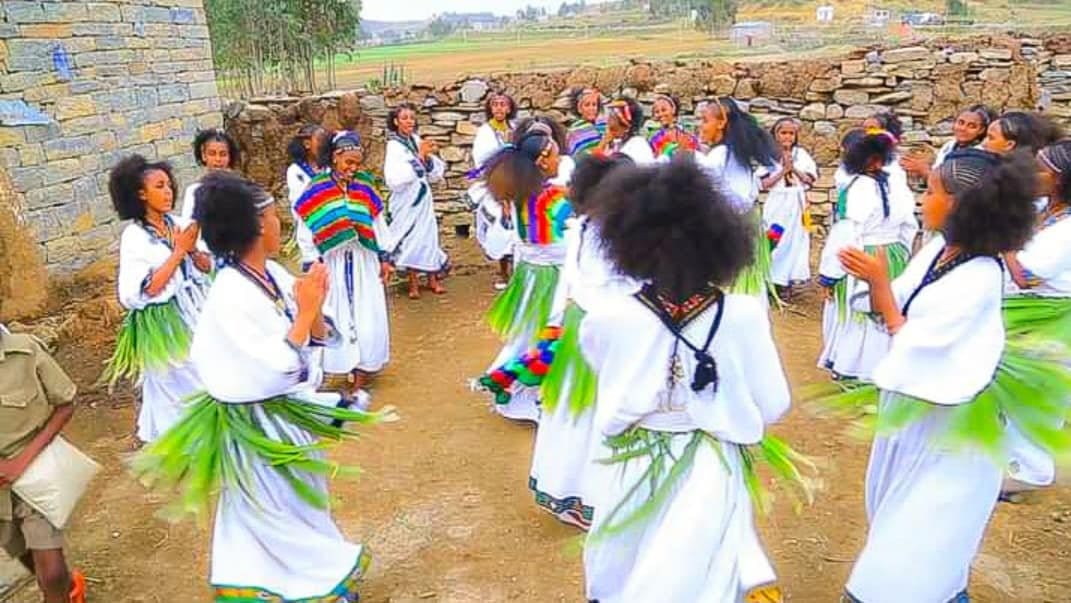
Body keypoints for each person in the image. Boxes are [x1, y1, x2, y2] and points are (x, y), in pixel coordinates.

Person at [133, 171, 396, 602]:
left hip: (285, 422)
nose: (282, 224)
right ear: (257, 226)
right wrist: (305, 313)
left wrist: (312, 309)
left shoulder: (270, 272)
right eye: (275, 217)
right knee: (273, 511)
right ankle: (300, 585)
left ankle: (300, 580)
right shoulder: (230, 295)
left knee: (301, 502)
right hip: (259, 429)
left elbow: (314, 336)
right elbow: (271, 369)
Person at [833, 149, 1052, 603]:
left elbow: (919, 346)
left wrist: (880, 289)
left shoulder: (979, 276)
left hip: (952, 439)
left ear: (960, 204)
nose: (921, 199)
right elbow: (898, 306)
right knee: (912, 545)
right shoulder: (938, 251)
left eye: (930, 191)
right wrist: (877, 289)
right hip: (914, 423)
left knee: (903, 565)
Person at [580, 159, 804, 603]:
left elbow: (603, 372)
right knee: (701, 569)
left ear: (629, 241)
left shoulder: (606, 318)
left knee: (624, 558)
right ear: (719, 241)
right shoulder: (742, 314)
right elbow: (774, 403)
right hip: (711, 466)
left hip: (630, 464)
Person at [481, 154, 638, 528]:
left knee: (573, 414)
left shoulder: (582, 228)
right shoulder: (609, 234)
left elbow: (569, 286)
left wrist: (555, 328)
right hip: (604, 336)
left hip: (577, 328)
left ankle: (570, 489)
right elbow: (627, 286)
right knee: (596, 415)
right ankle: (593, 496)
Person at [103, 155, 210, 446]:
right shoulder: (135, 237)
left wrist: (194, 253)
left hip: (194, 309)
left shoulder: (178, 224)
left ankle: (195, 440)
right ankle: (181, 442)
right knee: (176, 380)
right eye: (159, 186)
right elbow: (144, 290)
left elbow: (204, 267)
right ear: (140, 194)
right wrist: (178, 252)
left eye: (169, 185)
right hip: (163, 322)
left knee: (202, 371)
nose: (168, 192)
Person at [479, 129, 574, 422]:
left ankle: (517, 386)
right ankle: (537, 394)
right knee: (551, 335)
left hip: (531, 278)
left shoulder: (522, 196)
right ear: (544, 161)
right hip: (553, 280)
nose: (561, 159)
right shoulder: (553, 199)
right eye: (556, 154)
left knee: (529, 335)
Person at [294, 131, 393, 393]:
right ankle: (340, 366)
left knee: (366, 314)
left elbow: (377, 223)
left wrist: (384, 257)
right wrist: (312, 263)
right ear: (335, 157)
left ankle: (363, 368)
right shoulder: (317, 188)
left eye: (357, 163)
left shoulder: (364, 185)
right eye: (348, 162)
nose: (353, 168)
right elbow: (306, 228)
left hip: (364, 260)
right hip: (332, 263)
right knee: (334, 313)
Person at [817, 130, 917, 382]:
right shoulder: (896, 184)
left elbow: (849, 231)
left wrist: (830, 274)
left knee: (861, 312)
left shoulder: (859, 186)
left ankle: (857, 369)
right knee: (888, 307)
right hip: (892, 254)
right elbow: (909, 225)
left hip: (863, 256)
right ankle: (885, 365)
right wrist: (901, 253)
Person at [1001, 140, 1071, 498]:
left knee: (1036, 395)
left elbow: (1027, 276)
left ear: (1061, 179)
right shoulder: (1049, 211)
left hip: (1046, 319)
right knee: (1020, 392)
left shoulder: (1066, 228)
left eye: (1042, 169)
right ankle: (1013, 462)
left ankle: (1029, 471)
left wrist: (1003, 242)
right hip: (1032, 316)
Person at [0, 326, 87, 603]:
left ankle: (59, 589)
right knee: (23, 551)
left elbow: (66, 403)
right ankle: (67, 587)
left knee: (49, 572)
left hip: (34, 470)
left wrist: (21, 462)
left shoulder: (25, 351)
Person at [694, 97, 781, 306]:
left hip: (733, 236)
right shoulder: (726, 153)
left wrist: (701, 167)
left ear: (721, 123)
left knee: (734, 295)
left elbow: (741, 201)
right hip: (734, 233)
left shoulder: (724, 154)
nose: (700, 126)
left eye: (705, 120)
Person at [384, 102, 449, 299]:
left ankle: (432, 279)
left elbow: (433, 169)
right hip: (406, 199)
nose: (409, 121)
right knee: (411, 238)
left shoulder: (416, 140)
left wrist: (428, 158)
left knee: (428, 236)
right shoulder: (394, 146)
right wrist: (420, 157)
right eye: (404, 118)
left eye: (412, 118)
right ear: (396, 122)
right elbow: (394, 177)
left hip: (422, 198)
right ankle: (413, 283)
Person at [760, 117, 818, 298]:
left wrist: (793, 169)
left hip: (796, 203)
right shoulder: (768, 156)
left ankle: (786, 280)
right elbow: (764, 183)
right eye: (783, 133)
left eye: (791, 133)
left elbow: (810, 179)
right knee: (776, 238)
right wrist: (783, 171)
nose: (787, 137)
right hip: (778, 202)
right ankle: (770, 279)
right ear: (775, 135)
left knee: (795, 241)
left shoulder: (801, 154)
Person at [469, 92, 518, 290]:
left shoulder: (515, 129)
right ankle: (503, 271)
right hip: (495, 184)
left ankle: (517, 271)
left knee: (516, 225)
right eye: (495, 104)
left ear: (509, 108)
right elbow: (481, 159)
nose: (499, 108)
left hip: (516, 183)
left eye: (503, 104)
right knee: (500, 223)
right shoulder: (485, 132)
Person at [900, 105, 993, 178]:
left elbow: (951, 186)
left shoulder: (978, 155)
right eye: (960, 123)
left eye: (971, 126)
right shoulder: (949, 146)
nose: (963, 128)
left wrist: (923, 170)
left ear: (981, 130)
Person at [285, 124, 328, 270]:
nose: (324, 145)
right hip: (309, 232)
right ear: (307, 143)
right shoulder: (296, 171)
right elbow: (299, 203)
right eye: (320, 140)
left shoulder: (329, 169)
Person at [179, 128, 240, 221]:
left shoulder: (240, 190)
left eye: (223, 154)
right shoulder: (193, 191)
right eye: (212, 154)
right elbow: (187, 225)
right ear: (204, 156)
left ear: (229, 157)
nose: (218, 159)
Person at [594, 98, 655, 165]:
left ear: (625, 124)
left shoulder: (638, 146)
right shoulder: (611, 142)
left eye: (612, 115)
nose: (607, 120)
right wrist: (603, 143)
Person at [648, 93, 699, 160]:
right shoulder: (654, 139)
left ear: (673, 109)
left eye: (664, 110)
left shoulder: (687, 136)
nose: (660, 114)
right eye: (657, 112)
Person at [566, 87, 606, 158]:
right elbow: (582, 158)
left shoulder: (604, 124)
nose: (591, 108)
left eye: (594, 104)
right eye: (587, 105)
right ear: (579, 109)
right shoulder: (575, 131)